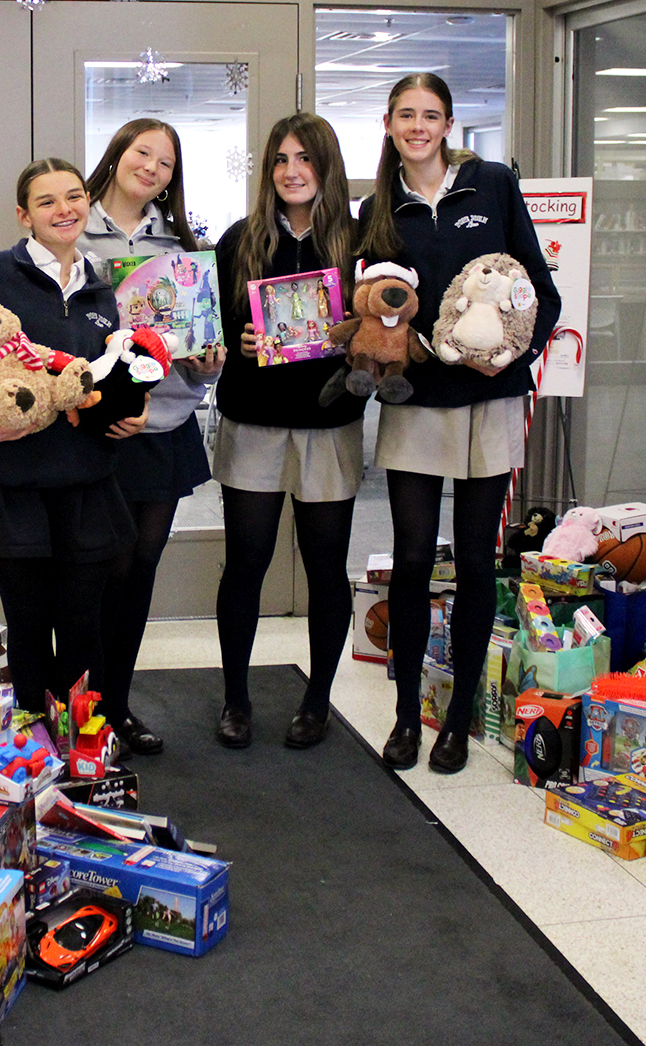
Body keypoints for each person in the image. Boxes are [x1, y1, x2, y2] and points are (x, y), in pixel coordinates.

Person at [358, 73, 560, 774]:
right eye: (406, 115)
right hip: (415, 401)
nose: (418, 126)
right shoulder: (377, 209)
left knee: (476, 561)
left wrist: (512, 355)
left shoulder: (493, 185)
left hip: (490, 400)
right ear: (389, 124)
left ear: (449, 124)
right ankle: (405, 715)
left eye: (431, 115)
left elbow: (541, 292)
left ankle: (456, 721)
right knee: (412, 560)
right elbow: (368, 307)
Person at [0, 158, 145, 714]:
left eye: (73, 196)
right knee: (28, 626)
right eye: (47, 201)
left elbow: (101, 376)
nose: (63, 209)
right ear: (25, 215)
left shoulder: (101, 288)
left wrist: (131, 409)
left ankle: (83, 742)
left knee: (82, 627)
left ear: (87, 203)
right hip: (8, 485)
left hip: (85, 482)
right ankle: (34, 748)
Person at [210, 113, 363, 750]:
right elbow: (216, 332)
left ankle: (318, 698)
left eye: (304, 159)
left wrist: (357, 337)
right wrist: (241, 342)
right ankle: (236, 698)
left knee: (326, 567)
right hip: (254, 421)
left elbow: (384, 321)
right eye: (280, 159)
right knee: (246, 563)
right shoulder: (240, 240)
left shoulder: (359, 241)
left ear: (326, 166)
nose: (291, 172)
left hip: (329, 423)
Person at [80, 119, 226, 756]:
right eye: (143, 153)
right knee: (97, 570)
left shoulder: (182, 248)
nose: (152, 168)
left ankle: (115, 706)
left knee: (140, 570)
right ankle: (79, 709)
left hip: (163, 428)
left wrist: (209, 364)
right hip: (98, 427)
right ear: (117, 154)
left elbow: (198, 354)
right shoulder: (74, 229)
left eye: (165, 163)